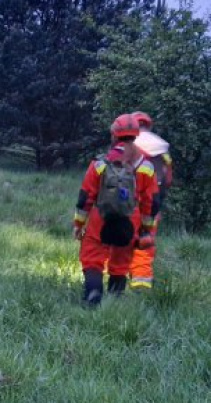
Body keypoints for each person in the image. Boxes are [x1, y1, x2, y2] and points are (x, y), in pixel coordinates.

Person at [73, 114, 158, 307]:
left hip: (100, 218)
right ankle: (115, 300)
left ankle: (93, 294)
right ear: (135, 135)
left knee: (92, 257)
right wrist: (146, 230)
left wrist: (78, 225)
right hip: (130, 219)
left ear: (113, 134)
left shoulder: (100, 164)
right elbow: (150, 202)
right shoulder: (146, 167)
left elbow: (86, 197)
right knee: (121, 261)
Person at [129, 111, 173, 290]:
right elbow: (168, 179)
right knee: (144, 244)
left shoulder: (127, 143)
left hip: (125, 204)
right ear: (149, 125)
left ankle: (116, 280)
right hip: (152, 206)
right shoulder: (162, 147)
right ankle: (141, 283)